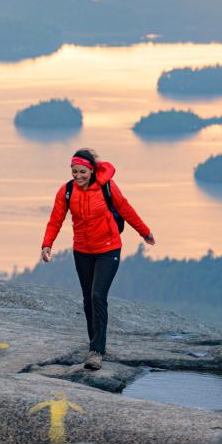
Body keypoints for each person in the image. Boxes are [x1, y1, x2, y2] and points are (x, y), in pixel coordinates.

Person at [41, 148, 156, 370]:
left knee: (97, 295)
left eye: (82, 171)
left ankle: (96, 351)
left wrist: (144, 232)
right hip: (82, 250)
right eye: (74, 171)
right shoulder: (66, 191)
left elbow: (126, 209)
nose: (78, 176)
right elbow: (55, 220)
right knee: (87, 299)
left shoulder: (107, 187)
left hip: (108, 248)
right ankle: (94, 341)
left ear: (91, 170)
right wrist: (47, 244)